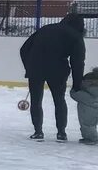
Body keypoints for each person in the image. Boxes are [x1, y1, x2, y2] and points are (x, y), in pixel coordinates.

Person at [20, 11, 86, 141]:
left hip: (36, 69)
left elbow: (24, 49)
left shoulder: (46, 28)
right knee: (59, 100)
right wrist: (77, 85)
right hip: (57, 70)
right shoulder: (76, 36)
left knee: (36, 100)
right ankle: (61, 132)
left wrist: (29, 67)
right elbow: (78, 62)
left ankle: (38, 131)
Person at [70, 66, 98, 145]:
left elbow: (74, 94)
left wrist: (73, 90)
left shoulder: (84, 93)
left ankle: (91, 138)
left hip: (87, 109)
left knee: (87, 125)